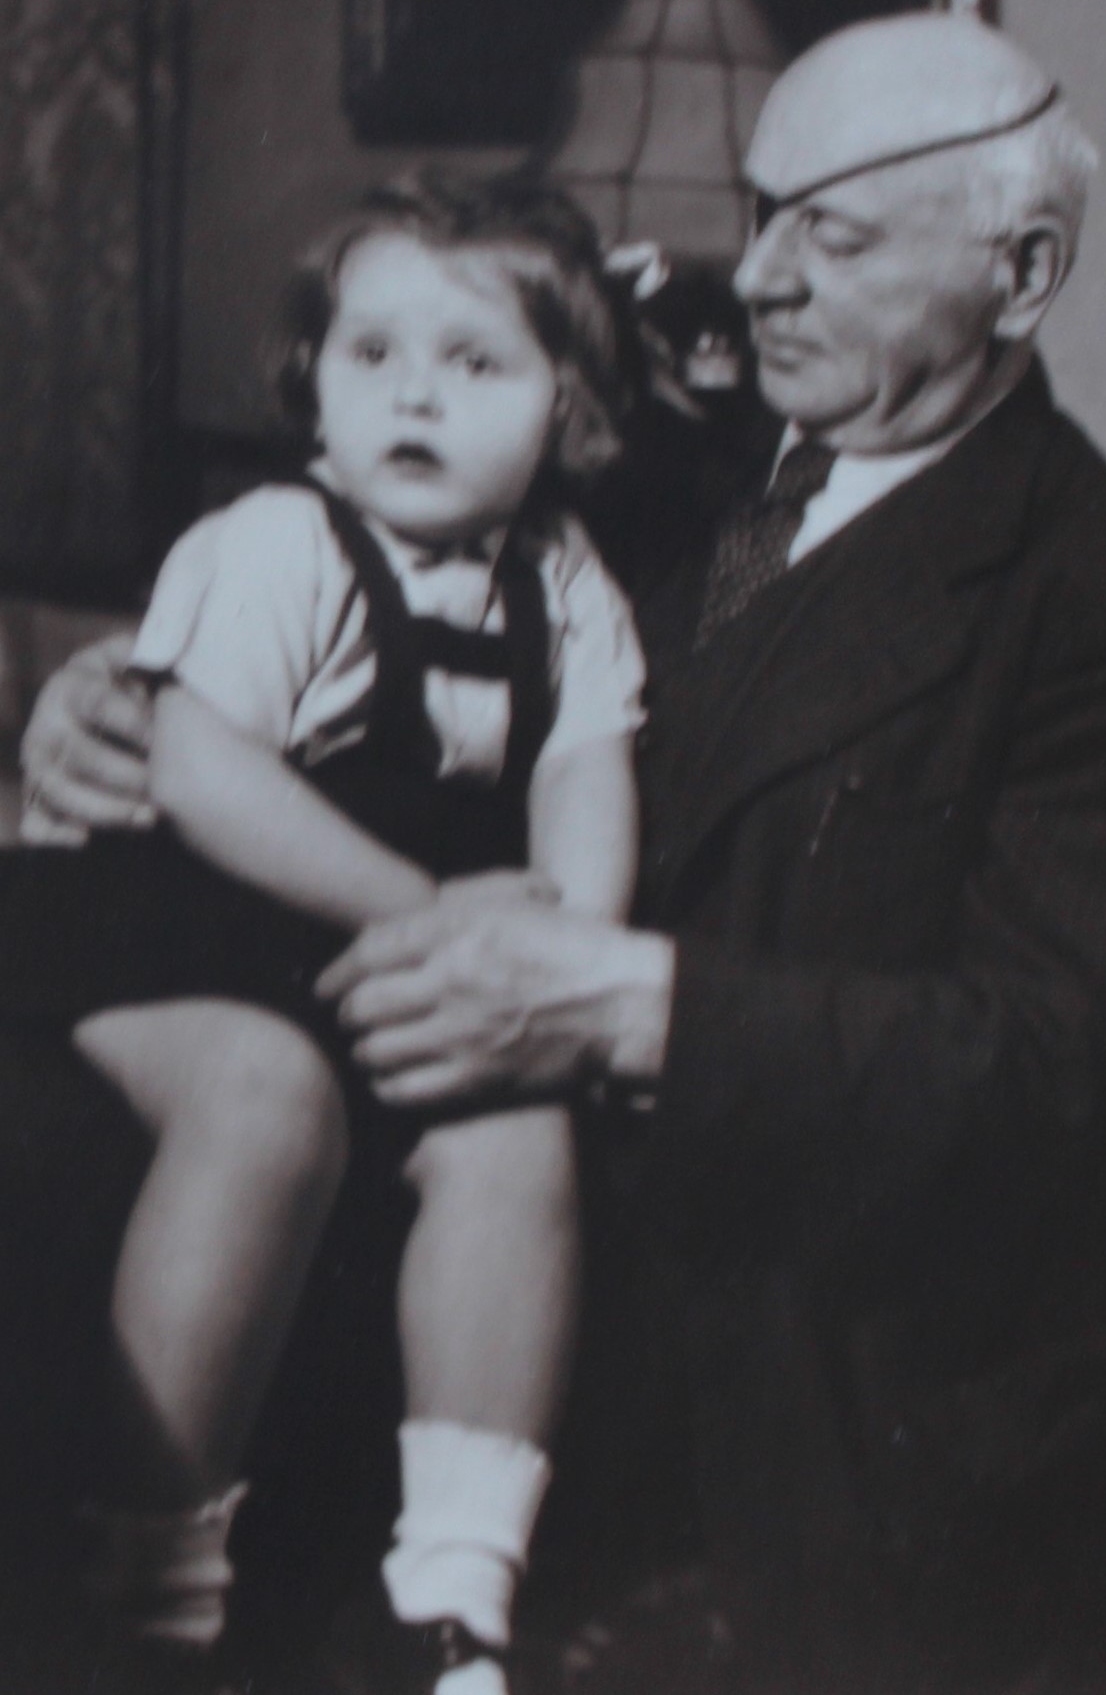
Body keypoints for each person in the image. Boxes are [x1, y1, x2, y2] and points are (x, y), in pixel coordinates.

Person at [25, 14, 1106, 1692]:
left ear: (1022, 272)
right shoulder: (626, 493)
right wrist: (124, 700)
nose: (761, 276)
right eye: (762, 213)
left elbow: (1071, 1078)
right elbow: (352, 644)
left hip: (773, 1427)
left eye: (834, 236)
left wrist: (624, 1006)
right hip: (378, 1299)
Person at [4, 171, 645, 1695]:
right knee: (263, 1095)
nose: (413, 394)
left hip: (363, 939)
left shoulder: (566, 579)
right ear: (316, 380)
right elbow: (201, 774)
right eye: (371, 355)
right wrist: (434, 917)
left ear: (567, 408)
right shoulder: (275, 538)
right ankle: (152, 1579)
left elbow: (582, 772)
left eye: (473, 362)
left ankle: (459, 1591)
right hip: (167, 910)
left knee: (513, 1127)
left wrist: (563, 952)